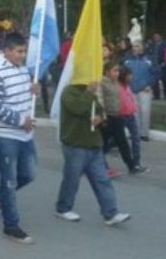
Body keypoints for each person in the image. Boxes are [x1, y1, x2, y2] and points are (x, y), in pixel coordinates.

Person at [0, 32, 37, 244]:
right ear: (6, 51)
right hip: (5, 135)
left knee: (29, 174)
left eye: (24, 51)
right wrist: (18, 120)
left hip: (25, 134)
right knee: (10, 180)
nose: (22, 56)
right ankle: (11, 226)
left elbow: (21, 95)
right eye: (19, 51)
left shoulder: (22, 69)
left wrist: (34, 90)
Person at [55, 81, 131, 226]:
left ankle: (111, 212)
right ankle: (63, 208)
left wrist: (100, 118)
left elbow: (101, 111)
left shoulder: (91, 92)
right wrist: (89, 92)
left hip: (94, 144)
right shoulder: (69, 92)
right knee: (72, 179)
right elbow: (79, 108)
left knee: (102, 179)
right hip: (75, 144)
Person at [100, 63, 149, 176]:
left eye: (117, 71)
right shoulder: (102, 83)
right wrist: (102, 117)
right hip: (107, 118)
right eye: (114, 71)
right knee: (102, 145)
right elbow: (100, 101)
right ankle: (100, 167)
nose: (117, 73)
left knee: (123, 143)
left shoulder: (116, 83)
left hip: (117, 117)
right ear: (107, 72)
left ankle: (132, 166)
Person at [122, 41, 157, 141]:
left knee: (145, 111)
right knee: (133, 112)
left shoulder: (150, 59)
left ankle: (144, 134)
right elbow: (122, 72)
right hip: (130, 89)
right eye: (133, 46)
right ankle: (135, 133)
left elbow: (156, 73)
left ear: (142, 47)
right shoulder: (127, 59)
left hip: (145, 90)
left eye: (137, 46)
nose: (134, 48)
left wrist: (150, 85)